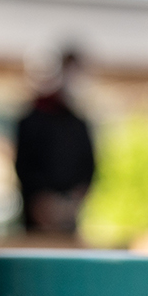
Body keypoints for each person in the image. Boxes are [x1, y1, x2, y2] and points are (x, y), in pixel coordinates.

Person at [14, 49, 97, 237]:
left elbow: (89, 166)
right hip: (38, 216)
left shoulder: (79, 123)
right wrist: (40, 201)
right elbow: (24, 164)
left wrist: (75, 200)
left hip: (70, 213)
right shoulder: (33, 119)